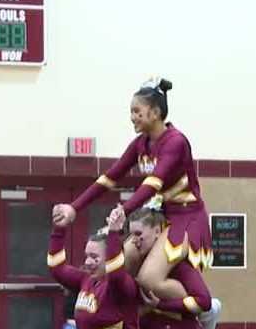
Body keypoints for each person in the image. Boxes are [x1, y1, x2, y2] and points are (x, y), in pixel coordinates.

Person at [52, 78, 215, 303]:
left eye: (137, 111)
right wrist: (74, 207)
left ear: (155, 112)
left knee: (149, 278)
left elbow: (154, 183)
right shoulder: (141, 143)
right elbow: (109, 178)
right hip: (162, 217)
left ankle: (200, 309)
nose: (132, 117)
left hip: (187, 219)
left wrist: (124, 210)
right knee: (118, 263)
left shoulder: (175, 142)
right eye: (131, 111)